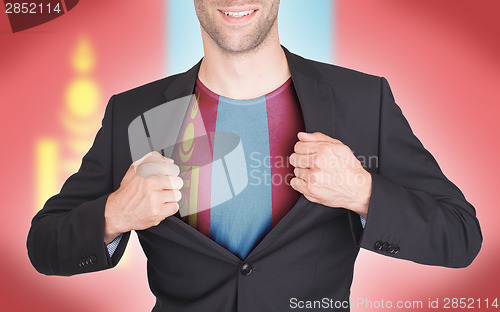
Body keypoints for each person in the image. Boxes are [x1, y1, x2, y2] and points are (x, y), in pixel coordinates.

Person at [27, 1, 482, 311]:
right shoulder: (135, 113)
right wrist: (114, 214)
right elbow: (44, 245)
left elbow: (460, 236)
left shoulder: (363, 100)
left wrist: (363, 192)